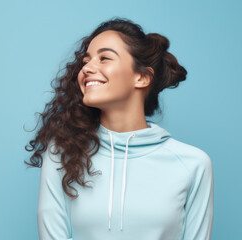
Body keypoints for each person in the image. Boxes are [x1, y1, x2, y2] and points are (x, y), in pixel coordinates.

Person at [25, 17, 214, 240]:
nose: (87, 68)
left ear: (142, 77)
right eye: (86, 61)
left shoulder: (193, 164)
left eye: (104, 58)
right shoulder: (62, 154)